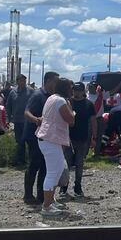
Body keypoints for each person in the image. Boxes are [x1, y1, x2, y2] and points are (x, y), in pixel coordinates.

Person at [36, 77, 76, 217]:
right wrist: (71, 107)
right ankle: (46, 207)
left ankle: (50, 201)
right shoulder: (60, 101)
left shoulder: (52, 97)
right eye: (71, 88)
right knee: (53, 172)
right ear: (65, 88)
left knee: (56, 170)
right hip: (50, 139)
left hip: (48, 138)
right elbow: (71, 120)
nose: (72, 90)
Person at [22, 72, 59, 204]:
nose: (57, 84)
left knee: (45, 166)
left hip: (46, 137)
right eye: (55, 81)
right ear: (48, 81)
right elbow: (26, 112)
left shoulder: (53, 97)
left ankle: (41, 195)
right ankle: (27, 195)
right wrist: (37, 120)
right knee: (33, 165)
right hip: (33, 136)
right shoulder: (38, 95)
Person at [67, 82, 96, 196]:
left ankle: (77, 186)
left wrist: (94, 137)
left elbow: (93, 121)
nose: (77, 92)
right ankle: (64, 185)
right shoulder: (68, 102)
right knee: (66, 162)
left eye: (79, 90)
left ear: (83, 91)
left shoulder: (89, 104)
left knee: (80, 163)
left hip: (83, 137)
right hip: (68, 137)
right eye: (75, 89)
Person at [5, 74, 33, 167]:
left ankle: (31, 160)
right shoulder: (13, 92)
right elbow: (8, 106)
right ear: (17, 81)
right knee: (19, 141)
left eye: (24, 81)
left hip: (28, 121)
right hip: (17, 121)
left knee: (30, 141)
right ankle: (21, 160)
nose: (23, 82)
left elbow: (35, 104)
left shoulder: (31, 91)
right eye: (21, 80)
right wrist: (8, 118)